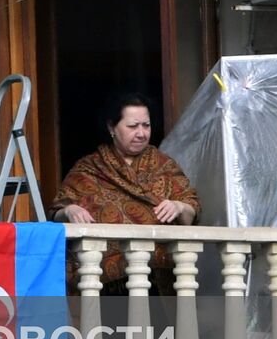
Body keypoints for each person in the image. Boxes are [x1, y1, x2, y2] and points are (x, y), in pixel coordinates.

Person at [50, 92, 200, 293]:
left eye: (146, 125)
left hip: (160, 280)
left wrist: (179, 206)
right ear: (112, 127)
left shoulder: (164, 165)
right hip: (105, 285)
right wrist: (70, 210)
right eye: (132, 126)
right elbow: (56, 212)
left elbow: (191, 212)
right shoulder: (89, 168)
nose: (141, 133)